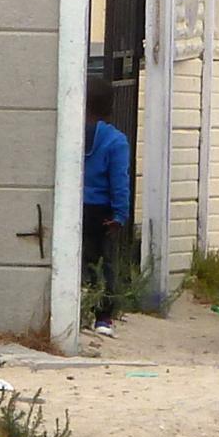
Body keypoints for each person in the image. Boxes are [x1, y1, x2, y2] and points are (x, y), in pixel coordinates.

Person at [82, 84, 136, 333]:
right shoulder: (116, 140)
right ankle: (103, 317)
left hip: (76, 206)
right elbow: (119, 181)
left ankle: (79, 309)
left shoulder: (74, 132)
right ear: (111, 108)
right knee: (104, 264)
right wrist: (120, 215)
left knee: (80, 261)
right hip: (102, 212)